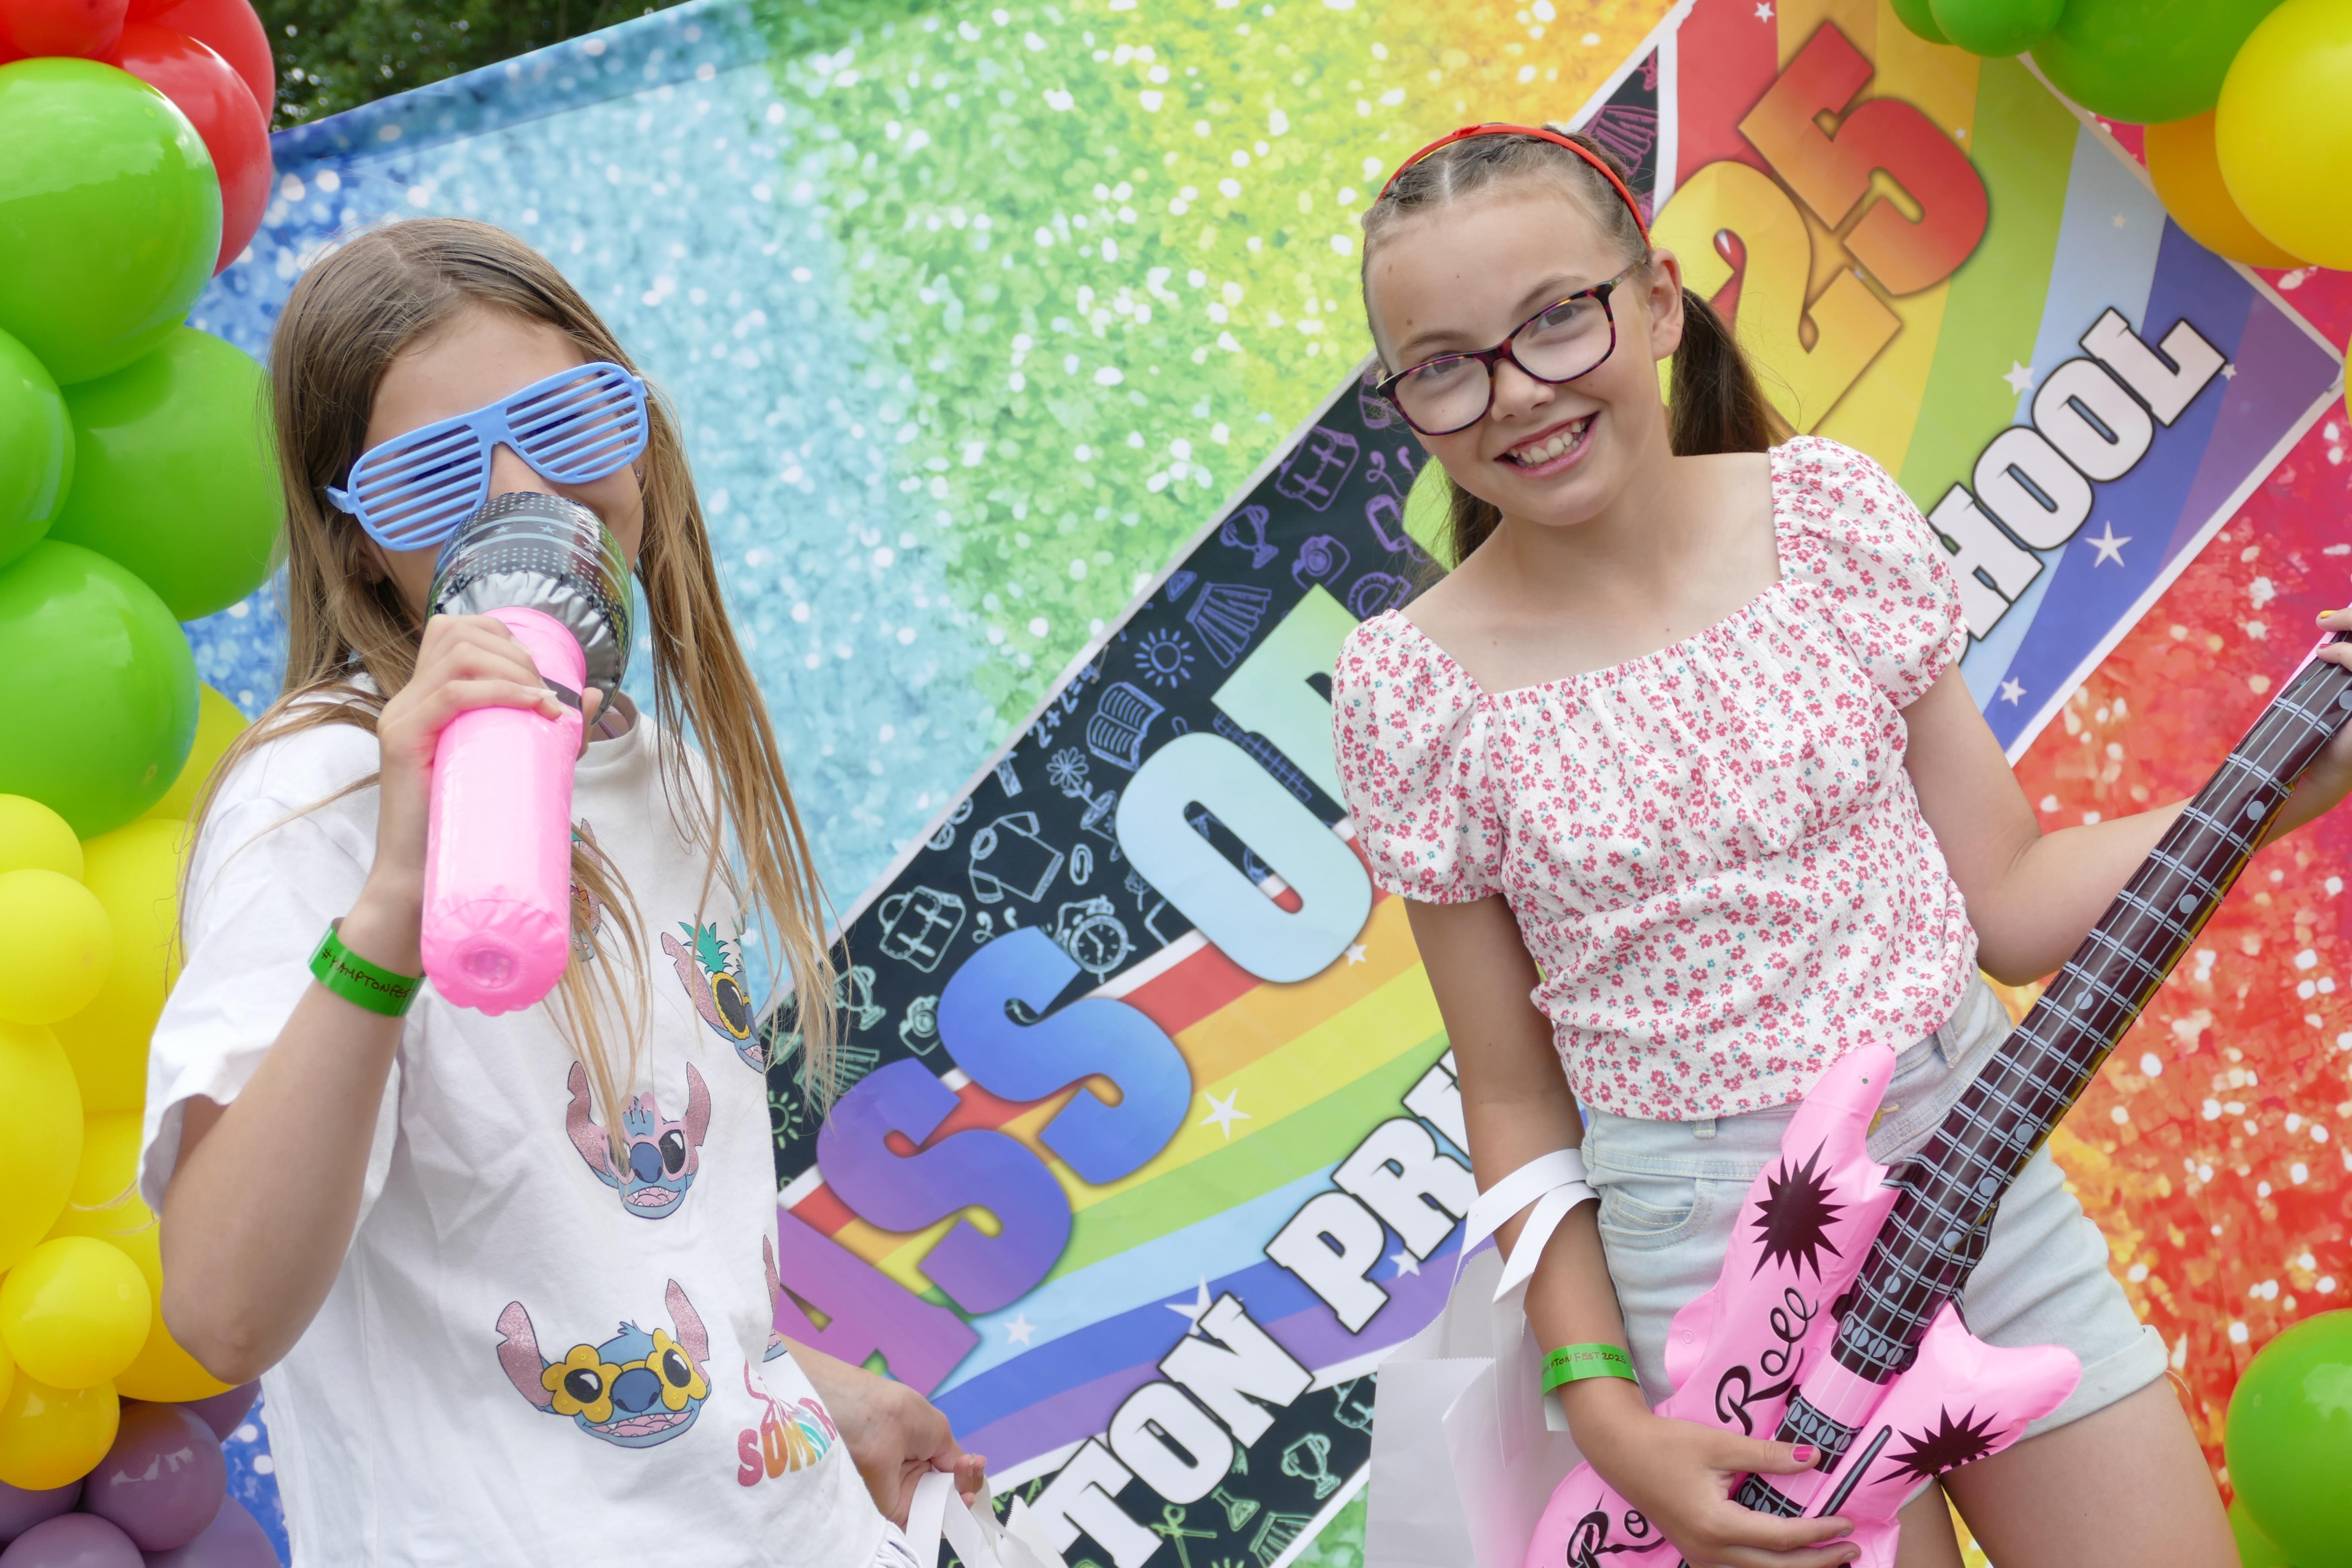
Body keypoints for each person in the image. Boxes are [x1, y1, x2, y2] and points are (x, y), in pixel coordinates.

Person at [1331, 125, 2346, 1568]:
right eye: (1446, 365)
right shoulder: (1415, 690)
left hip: (1977, 1166)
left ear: (1658, 302)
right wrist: (1605, 1412)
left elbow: (2012, 901)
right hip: (1707, 1275)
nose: (1519, 393)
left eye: (1558, 318)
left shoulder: (1824, 519)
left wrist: (2286, 783)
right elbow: (1510, 1098)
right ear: (1407, 401)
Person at [140, 218, 982, 1566]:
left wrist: (822, 1396)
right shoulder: (323, 793)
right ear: (357, 545)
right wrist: (396, 902)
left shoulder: (669, 775)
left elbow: (586, 1259)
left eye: (567, 422)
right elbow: (224, 1311)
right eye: (431, 479)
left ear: (637, 430)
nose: (525, 495)